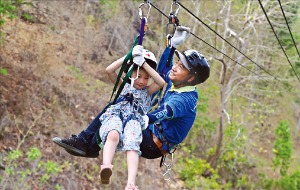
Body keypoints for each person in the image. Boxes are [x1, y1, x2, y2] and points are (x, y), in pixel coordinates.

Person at [53, 25, 210, 188]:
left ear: (191, 78)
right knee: (119, 106)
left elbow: (166, 111)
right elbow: (164, 69)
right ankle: (88, 144)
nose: (175, 67)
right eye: (178, 63)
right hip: (153, 131)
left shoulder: (185, 100)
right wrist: (172, 46)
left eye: (182, 67)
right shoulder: (179, 82)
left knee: (120, 109)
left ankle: (89, 145)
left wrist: (144, 118)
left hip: (154, 144)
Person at [97, 46, 165, 189]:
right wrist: (129, 57)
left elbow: (161, 83)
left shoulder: (147, 92)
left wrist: (144, 64)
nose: (142, 81)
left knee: (133, 144)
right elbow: (109, 70)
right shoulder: (123, 85)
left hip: (133, 120)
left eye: (146, 78)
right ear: (130, 74)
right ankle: (106, 165)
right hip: (117, 115)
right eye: (138, 76)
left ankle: (131, 183)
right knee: (113, 134)